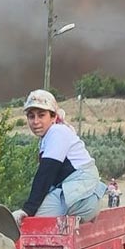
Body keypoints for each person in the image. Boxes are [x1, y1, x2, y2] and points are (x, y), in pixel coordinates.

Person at [11, 89, 108, 224]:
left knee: (30, 223)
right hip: (81, 194)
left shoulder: (57, 132)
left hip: (80, 195)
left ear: (53, 117)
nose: (35, 121)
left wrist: (28, 209)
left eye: (41, 115)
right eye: (31, 116)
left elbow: (46, 173)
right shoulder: (51, 135)